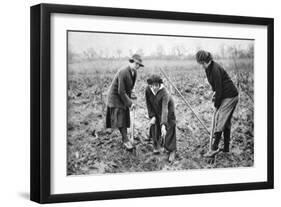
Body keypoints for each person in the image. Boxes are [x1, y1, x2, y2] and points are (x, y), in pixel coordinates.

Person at [195, 50, 239, 157]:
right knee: (226, 121)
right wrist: (214, 95)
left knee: (220, 120)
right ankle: (226, 149)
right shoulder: (208, 68)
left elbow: (219, 88)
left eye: (201, 63)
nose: (201, 65)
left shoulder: (214, 69)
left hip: (230, 95)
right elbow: (215, 87)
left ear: (205, 60)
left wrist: (216, 104)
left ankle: (214, 148)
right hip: (224, 94)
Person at [106, 54, 144, 150]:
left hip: (122, 96)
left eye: (139, 65)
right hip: (115, 97)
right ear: (131, 62)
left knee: (124, 117)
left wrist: (131, 93)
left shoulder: (134, 73)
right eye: (136, 64)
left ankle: (126, 137)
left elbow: (129, 88)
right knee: (121, 118)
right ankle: (125, 140)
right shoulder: (123, 72)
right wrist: (130, 103)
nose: (138, 66)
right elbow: (120, 91)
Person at [145, 74, 177, 162]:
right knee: (154, 123)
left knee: (169, 127)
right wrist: (152, 116)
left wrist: (163, 124)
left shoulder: (164, 93)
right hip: (155, 109)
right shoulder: (148, 90)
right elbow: (148, 104)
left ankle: (172, 150)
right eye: (152, 85)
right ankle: (156, 145)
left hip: (168, 110)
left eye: (156, 85)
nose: (154, 87)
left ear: (160, 84)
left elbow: (165, 109)